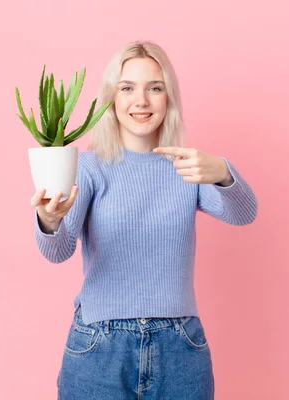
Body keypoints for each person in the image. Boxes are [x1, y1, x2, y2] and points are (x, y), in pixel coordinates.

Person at [31, 40, 258, 400]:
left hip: (180, 347)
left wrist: (223, 172)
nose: (141, 100)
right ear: (111, 98)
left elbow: (244, 213)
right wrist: (48, 219)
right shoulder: (88, 168)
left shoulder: (187, 166)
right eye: (127, 88)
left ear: (169, 98)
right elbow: (57, 251)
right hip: (100, 348)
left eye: (155, 87)